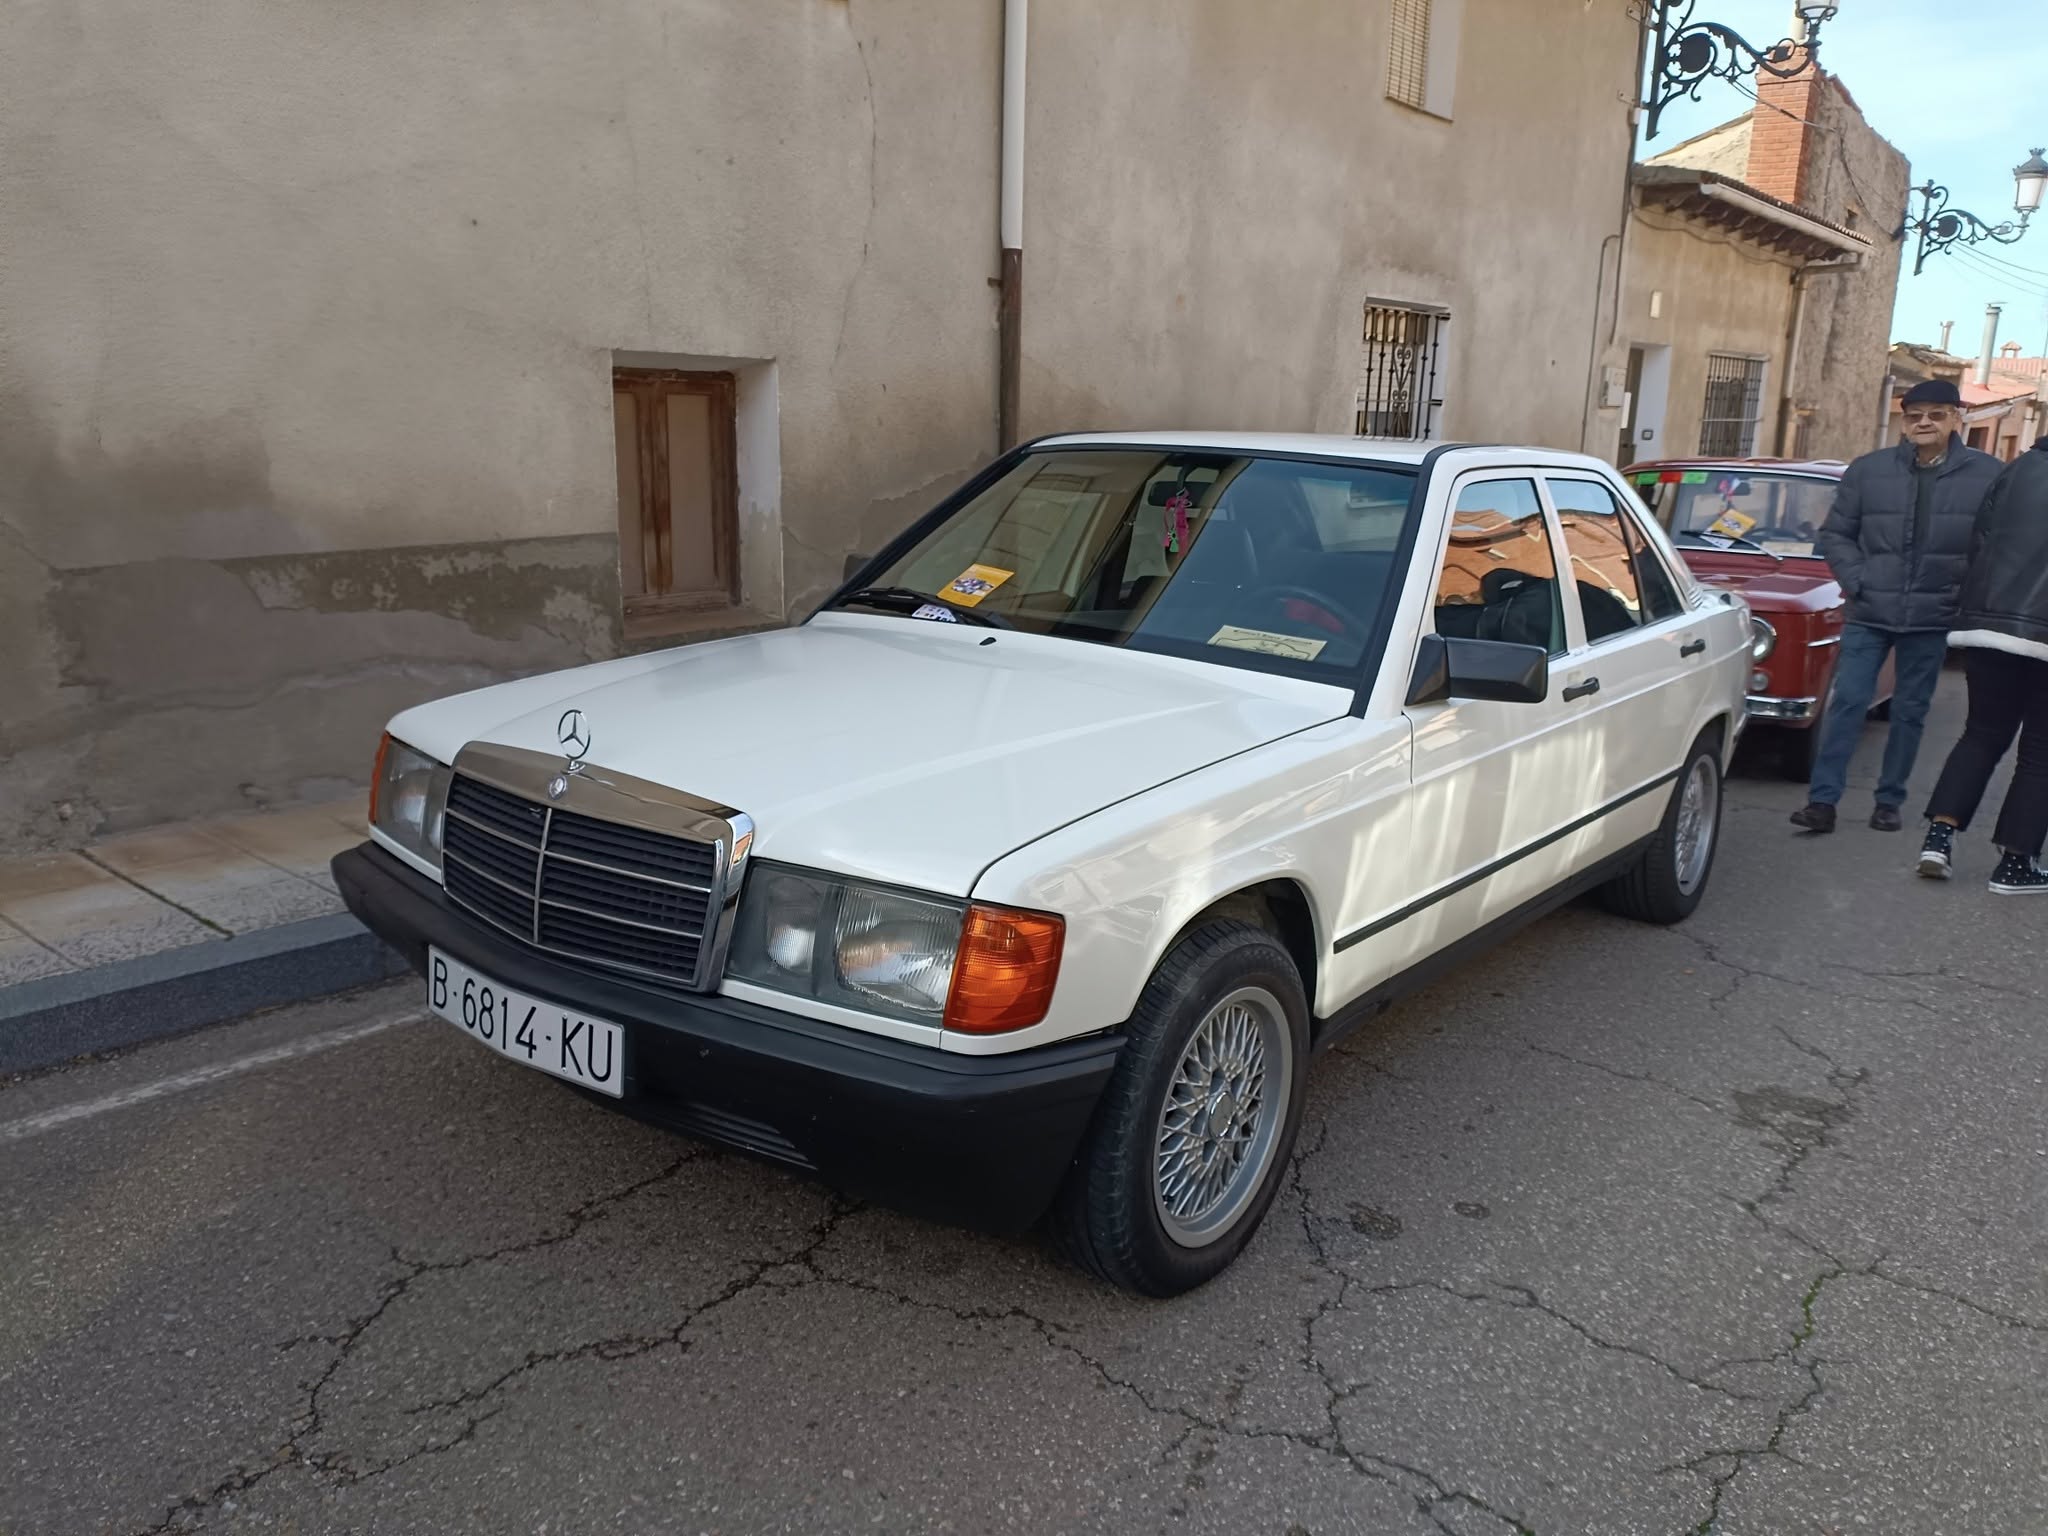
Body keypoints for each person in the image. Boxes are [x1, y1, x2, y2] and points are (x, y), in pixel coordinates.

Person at [1791, 379, 2003, 834]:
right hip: (1870, 609)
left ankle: (1889, 801)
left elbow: (1996, 544)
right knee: (1847, 703)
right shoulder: (1868, 471)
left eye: (1936, 414)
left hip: (1934, 614)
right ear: (1903, 422)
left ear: (1956, 418)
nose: (1924, 422)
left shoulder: (1988, 475)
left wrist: (1964, 592)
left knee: (1910, 709)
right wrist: (1858, 579)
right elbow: (1835, 534)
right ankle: (1822, 802)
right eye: (1914, 415)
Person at [1917, 435, 2048, 893]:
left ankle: (1938, 839)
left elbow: (1980, 537)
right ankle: (2014, 865)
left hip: (1988, 624)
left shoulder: (2017, 469)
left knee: (1981, 734)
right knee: (2041, 754)